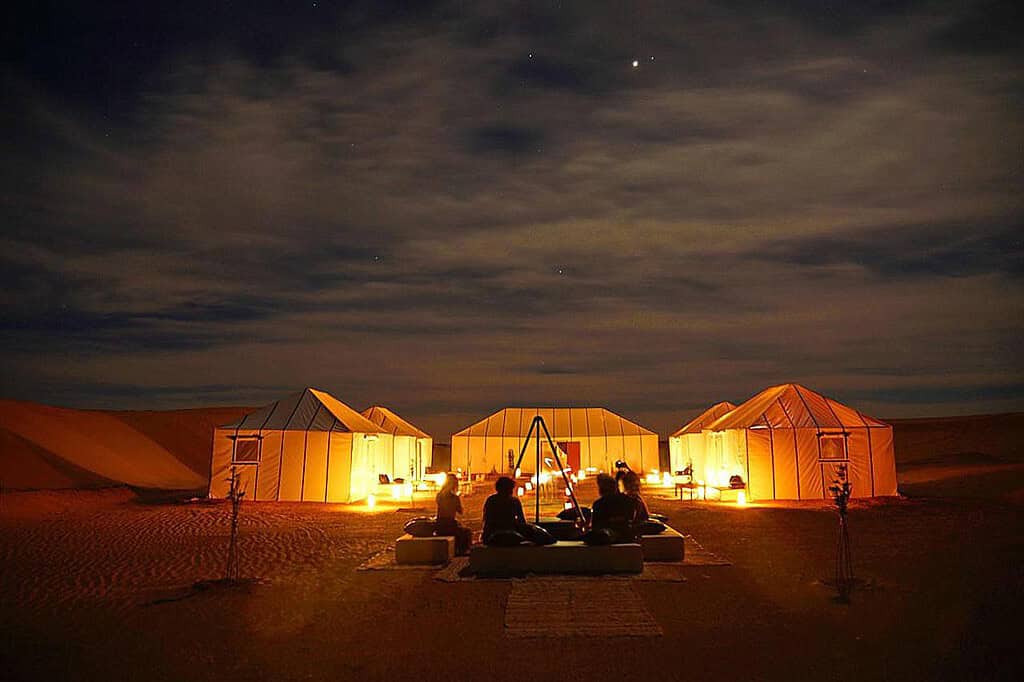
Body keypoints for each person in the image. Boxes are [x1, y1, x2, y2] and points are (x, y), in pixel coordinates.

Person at [583, 473, 638, 545]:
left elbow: (596, 527)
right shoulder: (629, 501)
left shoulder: (599, 504)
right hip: (628, 540)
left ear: (601, 489)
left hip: (605, 545)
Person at [482, 476, 526, 545]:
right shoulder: (515, 501)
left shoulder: (491, 500)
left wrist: (485, 536)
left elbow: (487, 520)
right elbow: (522, 521)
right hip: (512, 534)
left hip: (494, 534)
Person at [434, 473, 472, 555]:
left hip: (439, 523)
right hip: (449, 524)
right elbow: (460, 512)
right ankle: (462, 552)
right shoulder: (454, 498)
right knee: (467, 532)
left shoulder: (439, 495)